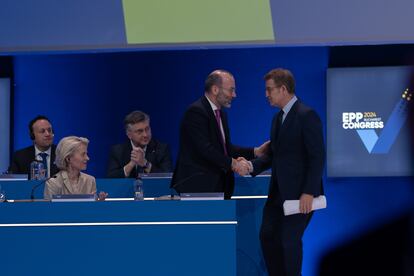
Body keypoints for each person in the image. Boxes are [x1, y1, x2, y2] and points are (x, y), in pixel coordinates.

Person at [238, 68, 325, 276]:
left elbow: (317, 157)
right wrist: (251, 166)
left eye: (269, 90)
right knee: (267, 237)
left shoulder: (306, 115)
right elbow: (274, 156)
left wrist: (308, 192)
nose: (266, 95)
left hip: (300, 196)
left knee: (288, 241)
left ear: (283, 89)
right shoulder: (277, 119)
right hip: (277, 195)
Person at [171, 69, 269, 199]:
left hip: (219, 186)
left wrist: (255, 152)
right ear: (215, 90)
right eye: (231, 90)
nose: (234, 95)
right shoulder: (196, 112)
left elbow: (225, 148)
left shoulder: (221, 114)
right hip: (198, 186)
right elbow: (205, 149)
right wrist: (234, 164)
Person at [107, 110, 173, 178]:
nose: (145, 135)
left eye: (147, 129)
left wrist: (145, 164)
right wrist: (131, 164)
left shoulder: (162, 149)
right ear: (129, 134)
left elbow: (167, 178)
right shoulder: (117, 151)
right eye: (140, 131)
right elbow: (110, 180)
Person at [44, 136, 107, 200]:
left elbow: (92, 208)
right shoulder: (53, 183)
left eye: (86, 154)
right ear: (68, 158)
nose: (87, 158)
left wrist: (99, 203)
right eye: (83, 154)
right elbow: (49, 209)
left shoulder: (90, 181)